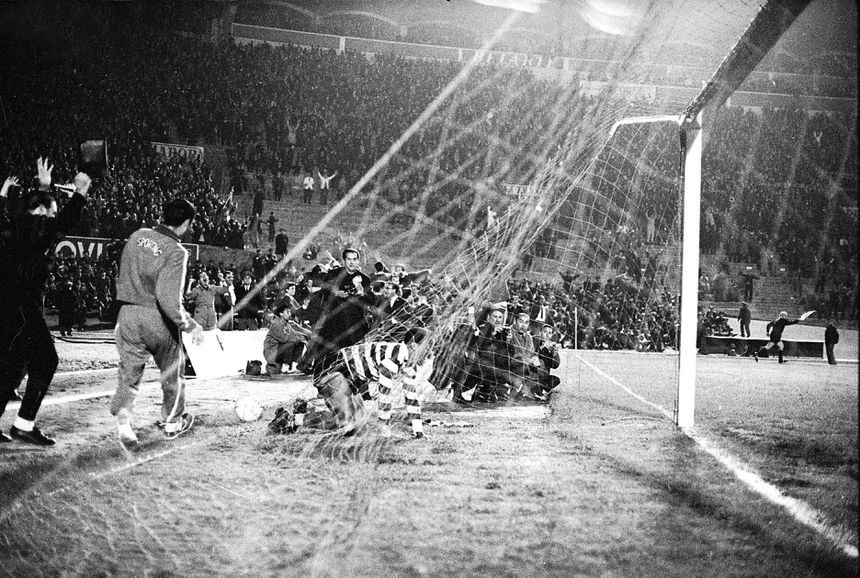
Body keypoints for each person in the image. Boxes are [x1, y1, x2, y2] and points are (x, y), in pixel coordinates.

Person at [0, 159, 90, 445]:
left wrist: (41, 189)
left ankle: (21, 423)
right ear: (40, 212)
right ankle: (24, 425)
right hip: (23, 308)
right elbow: (61, 223)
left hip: (11, 307)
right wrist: (79, 194)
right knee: (47, 360)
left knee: (14, 366)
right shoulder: (35, 232)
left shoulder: (16, 228)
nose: (55, 215)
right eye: (51, 210)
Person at [111, 198, 204, 448]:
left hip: (128, 314)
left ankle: (124, 421)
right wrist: (189, 324)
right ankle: (173, 421)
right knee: (173, 372)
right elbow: (168, 299)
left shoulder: (137, 235)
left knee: (129, 373)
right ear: (186, 223)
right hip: (157, 319)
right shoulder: (176, 251)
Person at [284, 327, 432, 437]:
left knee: (359, 427)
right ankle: (291, 420)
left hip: (348, 377)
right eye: (427, 346)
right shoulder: (396, 354)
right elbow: (384, 393)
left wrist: (418, 431)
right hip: (332, 370)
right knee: (344, 422)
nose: (430, 351)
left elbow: (412, 399)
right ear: (414, 345)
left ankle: (306, 407)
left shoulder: (407, 362)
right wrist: (384, 425)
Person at [264, 303, 314, 375]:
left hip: (279, 349)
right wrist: (301, 338)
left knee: (301, 342)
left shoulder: (288, 323)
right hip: (272, 351)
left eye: (289, 312)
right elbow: (285, 339)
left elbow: (298, 331)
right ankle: (274, 364)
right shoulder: (276, 324)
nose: (289, 314)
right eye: (287, 312)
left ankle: (301, 364)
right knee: (292, 343)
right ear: (281, 314)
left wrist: (309, 336)